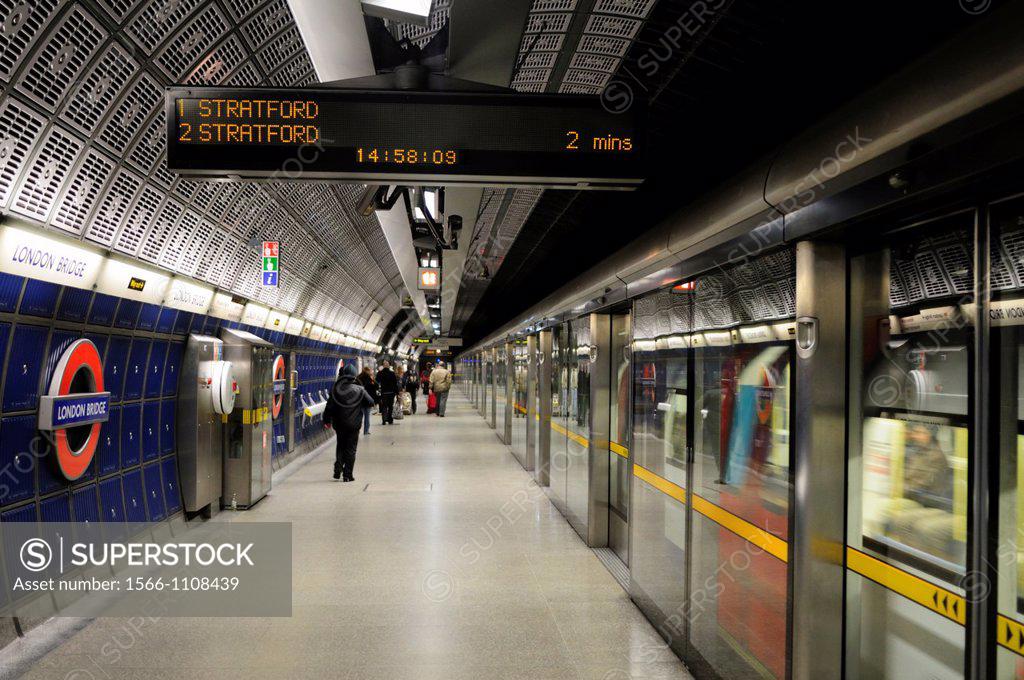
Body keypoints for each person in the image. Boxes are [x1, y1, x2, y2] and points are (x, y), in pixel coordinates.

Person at [323, 364, 375, 481]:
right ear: (354, 376)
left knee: (340, 445)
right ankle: (348, 475)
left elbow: (329, 406)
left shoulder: (336, 389)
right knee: (351, 449)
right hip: (354, 425)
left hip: (339, 423)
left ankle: (338, 467)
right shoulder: (360, 389)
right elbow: (371, 402)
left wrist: (327, 420)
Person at [376, 360, 399, 425]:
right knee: (390, 407)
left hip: (384, 393)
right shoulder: (392, 373)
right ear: (389, 366)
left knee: (384, 406)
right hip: (391, 393)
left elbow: (377, 381)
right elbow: (395, 384)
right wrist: (397, 393)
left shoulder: (380, 373)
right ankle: (390, 420)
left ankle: (384, 420)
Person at [356, 366, 378, 435]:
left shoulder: (358, 378)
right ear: (368, 371)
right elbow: (376, 386)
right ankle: (366, 431)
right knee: (367, 416)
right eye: (370, 371)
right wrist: (373, 380)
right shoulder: (369, 379)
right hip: (368, 399)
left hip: (360, 400)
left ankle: (357, 430)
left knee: (359, 416)